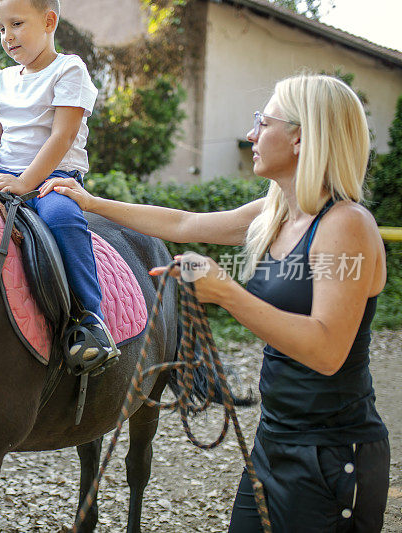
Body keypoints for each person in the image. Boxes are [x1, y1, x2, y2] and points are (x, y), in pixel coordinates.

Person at [39, 74, 389, 532]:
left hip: (334, 453)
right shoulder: (276, 213)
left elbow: (326, 352)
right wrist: (90, 202)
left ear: (302, 138)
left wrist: (226, 293)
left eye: (263, 121)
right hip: (275, 439)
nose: (251, 134)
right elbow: (187, 223)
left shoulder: (347, 225)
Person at [0, 0, 116, 366]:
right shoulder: (1, 79)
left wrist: (26, 182)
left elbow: (62, 136)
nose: (7, 36)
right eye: (1, 28)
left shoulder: (69, 69)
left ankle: (89, 318)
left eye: (16, 24)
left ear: (49, 21)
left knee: (63, 219)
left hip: (53, 177)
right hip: (2, 171)